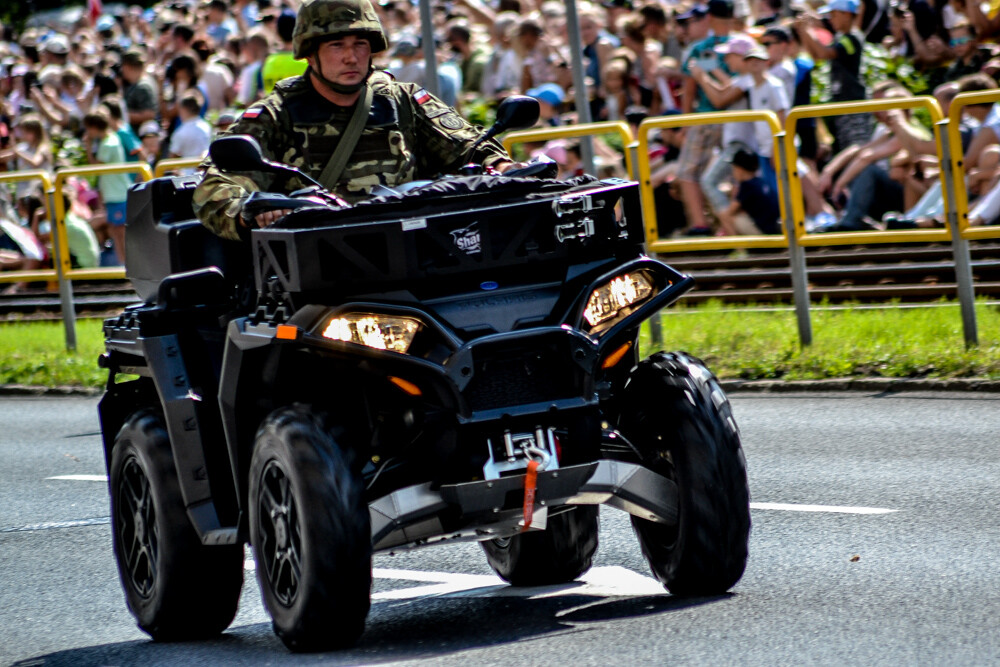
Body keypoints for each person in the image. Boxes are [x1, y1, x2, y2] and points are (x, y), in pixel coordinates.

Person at [193, 0, 519, 241]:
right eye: (337, 45)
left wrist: (503, 167)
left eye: (360, 44)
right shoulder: (276, 114)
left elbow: (468, 146)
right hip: (321, 262)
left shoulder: (402, 99)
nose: (351, 57)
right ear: (310, 53)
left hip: (416, 246)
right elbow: (216, 185)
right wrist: (252, 212)